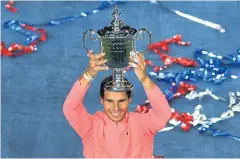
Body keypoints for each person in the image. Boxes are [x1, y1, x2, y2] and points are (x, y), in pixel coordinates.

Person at [63, 50, 172, 158]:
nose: (116, 108)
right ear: (102, 100)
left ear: (129, 99)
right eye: (110, 101)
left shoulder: (142, 124)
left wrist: (145, 79)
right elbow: (70, 108)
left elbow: (163, 113)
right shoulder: (91, 126)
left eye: (121, 101)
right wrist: (88, 75)